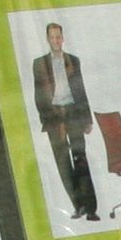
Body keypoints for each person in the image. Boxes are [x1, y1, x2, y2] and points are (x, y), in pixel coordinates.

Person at [28, 21, 100, 224]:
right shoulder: (39, 64)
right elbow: (38, 94)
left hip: (74, 113)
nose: (55, 40)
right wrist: (45, 118)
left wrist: (87, 118)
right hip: (54, 117)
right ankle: (78, 205)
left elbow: (80, 89)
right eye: (52, 37)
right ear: (47, 39)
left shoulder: (73, 61)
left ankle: (91, 208)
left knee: (81, 159)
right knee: (62, 162)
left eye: (58, 36)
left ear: (63, 38)